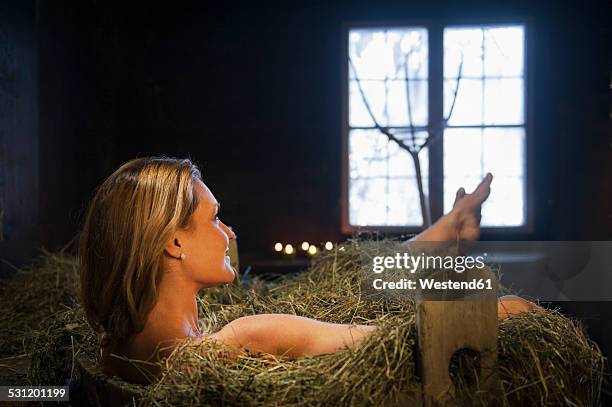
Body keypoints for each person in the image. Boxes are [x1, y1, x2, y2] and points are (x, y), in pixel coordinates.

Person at [79, 157, 540, 384]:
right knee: (333, 290)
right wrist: (496, 311)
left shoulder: (117, 346)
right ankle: (447, 231)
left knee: (328, 282)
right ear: (174, 241)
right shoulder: (243, 337)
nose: (228, 231)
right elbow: (383, 340)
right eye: (214, 218)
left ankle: (445, 230)